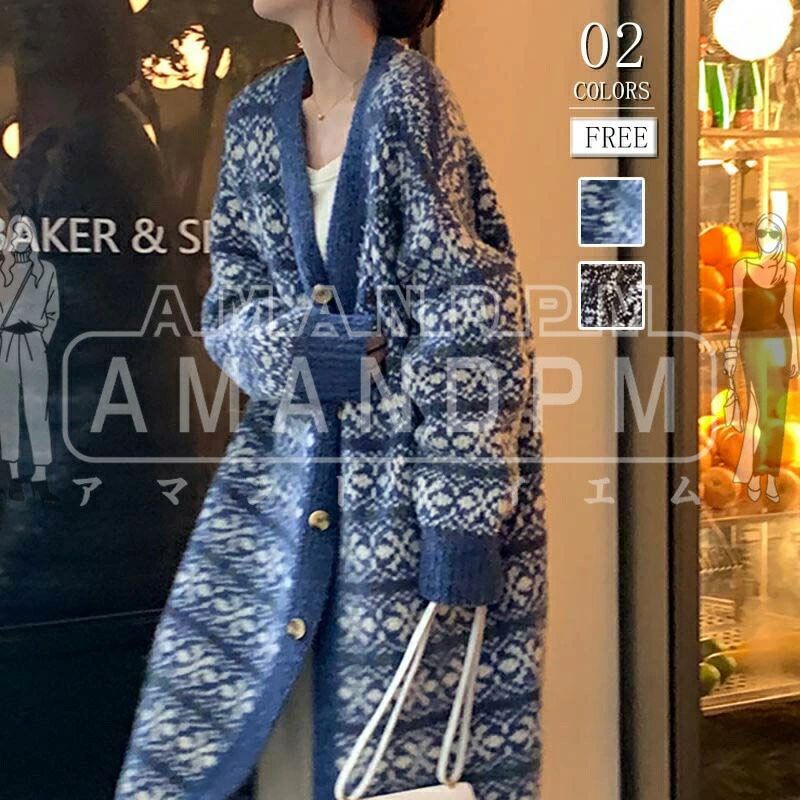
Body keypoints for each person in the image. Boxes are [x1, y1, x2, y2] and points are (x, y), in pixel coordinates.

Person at [115, 2, 547, 800]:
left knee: (382, 763)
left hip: (404, 502)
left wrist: (459, 525)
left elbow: (473, 311)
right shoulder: (255, 115)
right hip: (281, 491)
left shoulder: (410, 97)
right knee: (232, 724)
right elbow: (229, 304)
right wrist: (306, 354)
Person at [725, 212, 798, 503]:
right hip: (752, 346)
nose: (768, 239)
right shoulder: (743, 267)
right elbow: (736, 312)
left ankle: (770, 480)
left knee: (774, 417)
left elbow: (790, 314)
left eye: (774, 234)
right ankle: (755, 477)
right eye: (764, 234)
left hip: (778, 346)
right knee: (754, 413)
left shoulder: (788, 270)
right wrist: (731, 347)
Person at [0, 216, 59, 504]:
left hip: (34, 342)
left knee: (38, 410)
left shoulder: (46, 271)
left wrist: (42, 340)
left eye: (25, 233)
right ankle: (13, 475)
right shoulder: (2, 271)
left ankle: (40, 475)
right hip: (6, 343)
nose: (20, 238)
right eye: (16, 233)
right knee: (8, 409)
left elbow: (53, 311)